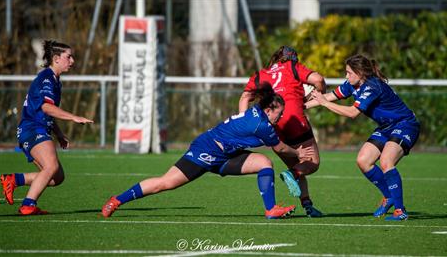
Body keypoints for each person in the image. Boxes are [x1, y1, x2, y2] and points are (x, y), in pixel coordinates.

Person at [102, 84, 313, 219]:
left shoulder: (258, 111)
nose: (281, 117)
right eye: (279, 113)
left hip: (225, 156)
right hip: (206, 150)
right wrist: (299, 154)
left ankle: (270, 209)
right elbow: (281, 148)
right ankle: (117, 200)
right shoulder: (263, 126)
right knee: (165, 183)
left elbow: (246, 98)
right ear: (268, 110)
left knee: (264, 163)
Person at [306, 54, 420, 221]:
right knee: (363, 160)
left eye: (349, 73)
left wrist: (324, 103)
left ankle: (400, 210)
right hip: (386, 127)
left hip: (404, 124)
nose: (346, 76)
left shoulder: (372, 86)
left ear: (360, 73)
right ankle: (389, 196)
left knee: (386, 161)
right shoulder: (352, 85)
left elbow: (352, 113)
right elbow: (329, 96)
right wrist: (300, 107)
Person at [0, 40, 93, 215]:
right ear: (56, 58)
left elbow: (48, 111)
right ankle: (28, 205)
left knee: (56, 178)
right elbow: (45, 107)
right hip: (33, 129)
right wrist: (73, 117)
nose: (72, 61)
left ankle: (13, 179)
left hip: (37, 129)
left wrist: (59, 134)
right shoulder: (46, 79)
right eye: (69, 57)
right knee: (51, 167)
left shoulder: (56, 81)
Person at [238, 46, 326, 217]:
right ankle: (291, 175)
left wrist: (244, 121)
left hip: (272, 125)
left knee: (296, 166)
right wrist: (320, 93)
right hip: (294, 120)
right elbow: (318, 79)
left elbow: (245, 97)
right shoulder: (292, 66)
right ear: (292, 58)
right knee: (311, 163)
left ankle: (308, 205)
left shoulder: (261, 74)